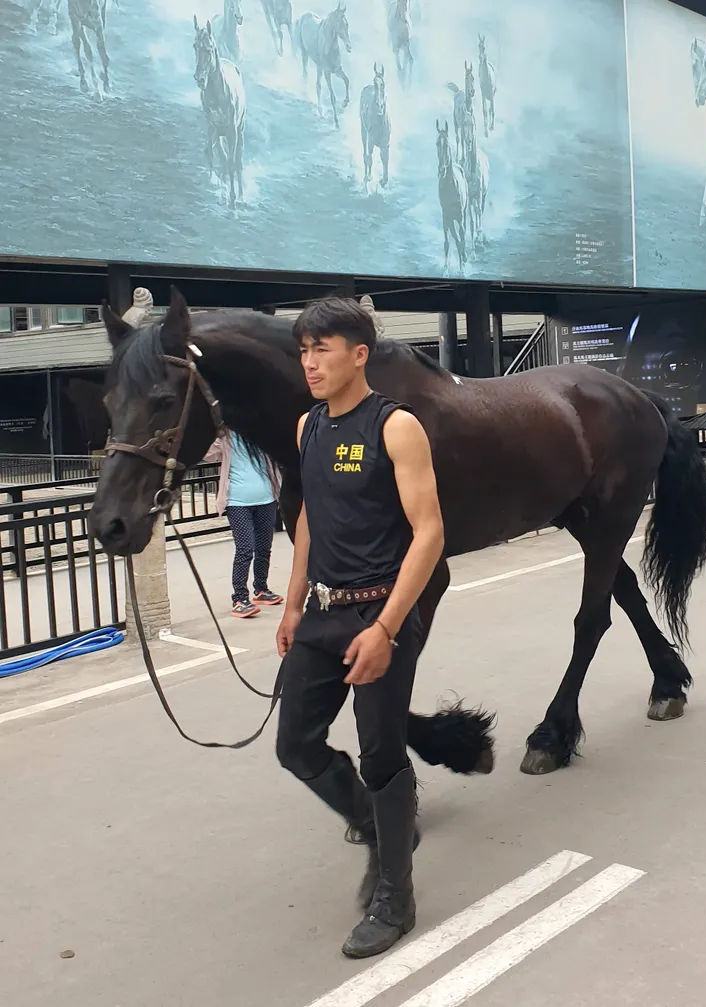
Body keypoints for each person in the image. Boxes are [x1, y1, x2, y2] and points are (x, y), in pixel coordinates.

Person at [275, 297, 445, 959]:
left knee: (379, 755)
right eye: (303, 350)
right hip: (320, 612)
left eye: (322, 348)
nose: (310, 363)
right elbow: (310, 520)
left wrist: (385, 628)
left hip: (381, 612)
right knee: (295, 745)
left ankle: (396, 896)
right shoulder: (308, 427)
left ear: (359, 354)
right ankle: (383, 829)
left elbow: (429, 533)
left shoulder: (395, 427)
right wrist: (292, 604)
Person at [205, 431, 284, 618]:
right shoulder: (226, 438)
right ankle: (239, 599)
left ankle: (261, 589)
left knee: (264, 548)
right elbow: (205, 454)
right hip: (237, 502)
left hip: (267, 498)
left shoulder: (263, 435)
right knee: (245, 549)